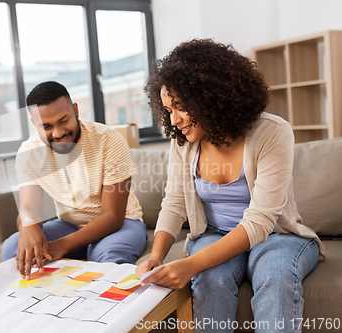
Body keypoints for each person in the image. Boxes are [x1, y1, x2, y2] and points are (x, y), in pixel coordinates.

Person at [136, 39, 324, 333]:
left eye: (181, 107)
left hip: (277, 236)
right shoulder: (183, 142)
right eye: (168, 110)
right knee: (209, 278)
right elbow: (174, 203)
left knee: (276, 275)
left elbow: (260, 221)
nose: (175, 120)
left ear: (211, 96)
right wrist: (156, 256)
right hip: (214, 234)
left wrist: (190, 264)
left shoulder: (273, 133)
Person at [1, 81, 147, 279]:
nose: (58, 133)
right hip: (70, 224)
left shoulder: (109, 140)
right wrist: (28, 225)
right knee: (13, 248)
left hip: (122, 224)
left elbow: (113, 216)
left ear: (75, 110)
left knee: (106, 258)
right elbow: (28, 208)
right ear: (34, 124)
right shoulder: (28, 153)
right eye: (46, 126)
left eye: (63, 120)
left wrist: (62, 245)